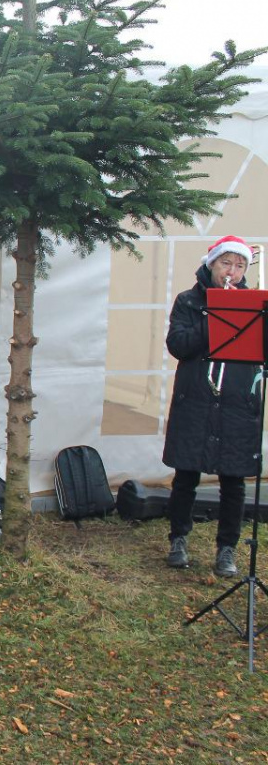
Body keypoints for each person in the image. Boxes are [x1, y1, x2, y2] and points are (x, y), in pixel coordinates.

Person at [163, 235, 260, 577]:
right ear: (211, 264)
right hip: (196, 399)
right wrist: (215, 317)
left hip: (236, 403)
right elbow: (178, 344)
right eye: (225, 264)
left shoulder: (254, 305)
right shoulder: (189, 301)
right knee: (185, 475)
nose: (231, 271)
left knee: (233, 481)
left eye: (239, 265)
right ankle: (178, 540)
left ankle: (227, 549)